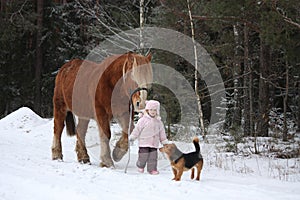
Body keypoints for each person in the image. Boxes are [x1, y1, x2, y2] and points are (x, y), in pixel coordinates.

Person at [129, 100, 169, 175]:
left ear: (157, 111)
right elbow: (137, 129)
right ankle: (140, 165)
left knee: (153, 157)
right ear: (147, 110)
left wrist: (164, 141)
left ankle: (152, 169)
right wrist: (133, 137)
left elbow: (162, 132)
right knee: (143, 156)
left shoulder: (159, 122)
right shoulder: (143, 120)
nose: (153, 111)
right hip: (144, 142)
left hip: (154, 143)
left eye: (155, 110)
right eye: (151, 110)